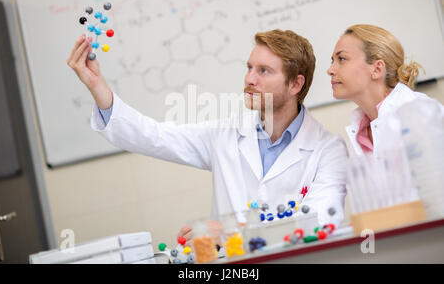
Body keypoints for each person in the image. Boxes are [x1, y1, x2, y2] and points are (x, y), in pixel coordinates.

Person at [67, 29, 348, 246]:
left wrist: (229, 233)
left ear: (295, 83)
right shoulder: (224, 136)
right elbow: (153, 136)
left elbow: (322, 223)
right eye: (249, 67)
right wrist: (97, 86)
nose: (249, 79)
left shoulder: (328, 149)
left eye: (264, 71)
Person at [327, 24, 444, 157]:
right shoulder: (358, 131)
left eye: (341, 59)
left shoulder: (420, 113)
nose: (330, 70)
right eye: (332, 61)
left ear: (377, 69)